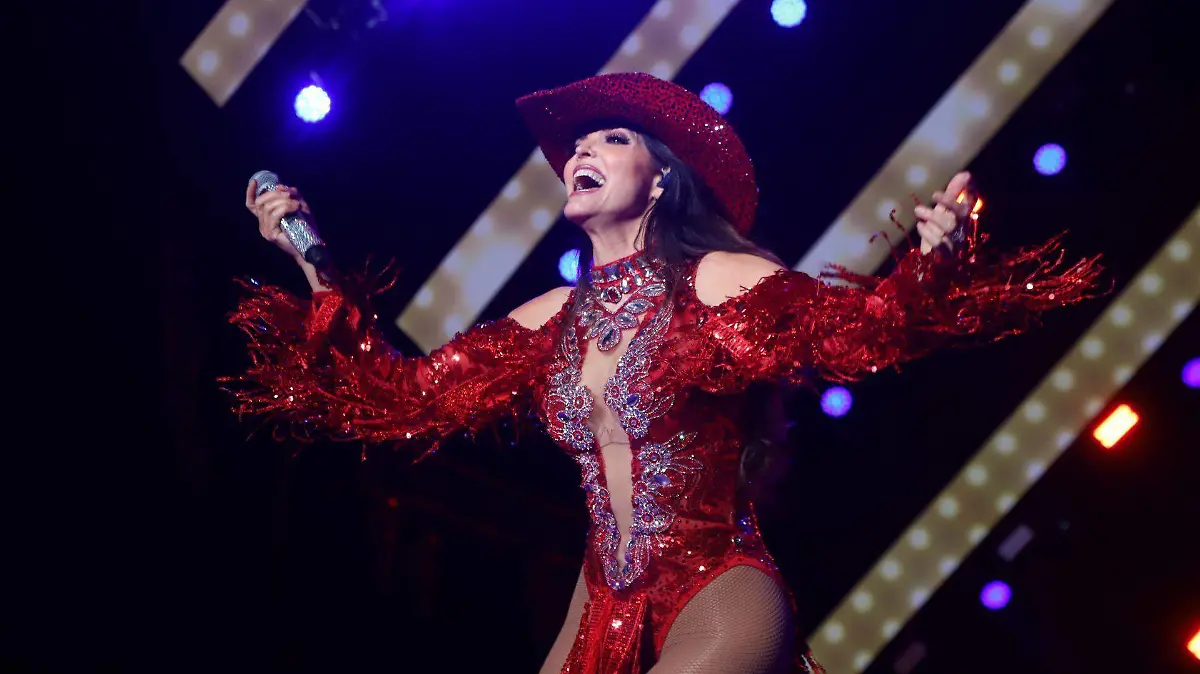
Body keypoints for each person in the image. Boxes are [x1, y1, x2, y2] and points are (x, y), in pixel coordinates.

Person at [227, 72, 1101, 673]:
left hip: (718, 588)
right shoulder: (549, 321)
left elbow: (857, 331)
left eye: (611, 138)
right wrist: (314, 266)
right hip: (599, 597)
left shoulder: (714, 283)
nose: (581, 150)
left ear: (659, 182)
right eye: (576, 144)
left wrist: (933, 263)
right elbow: (406, 397)